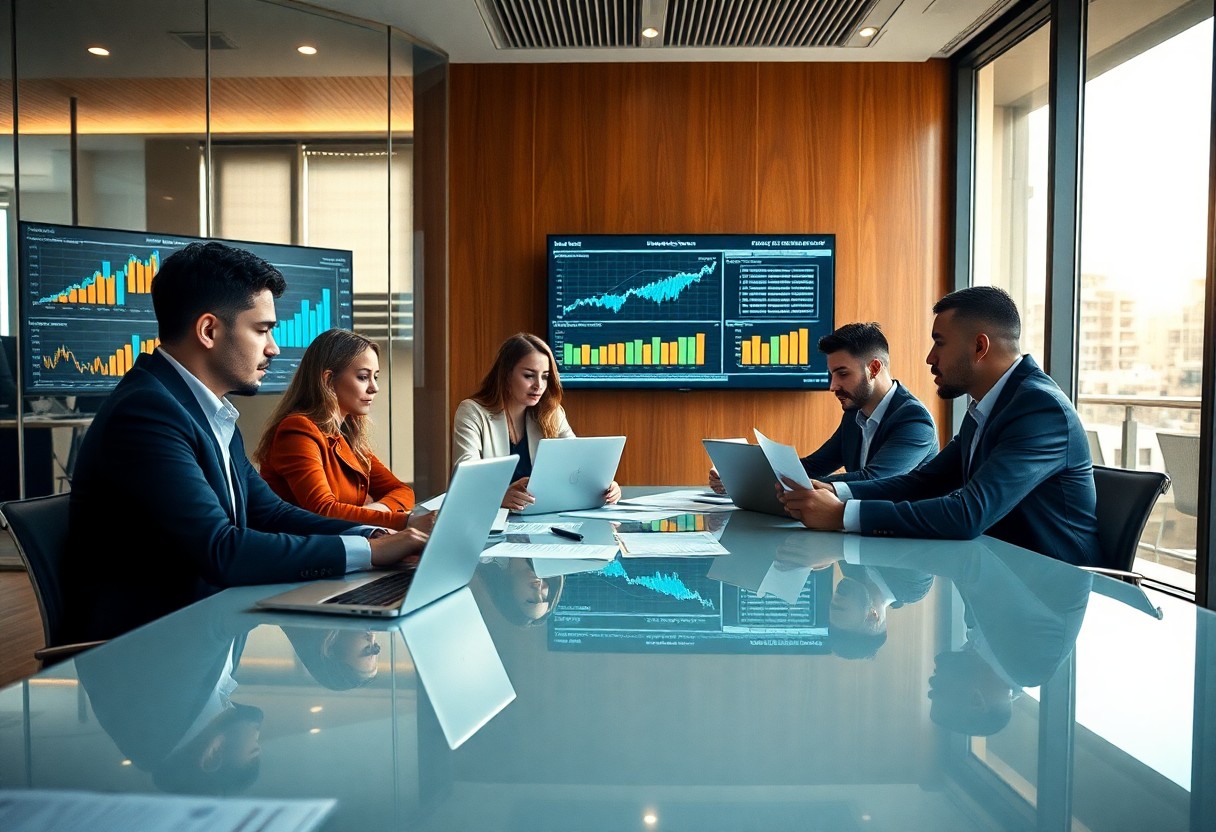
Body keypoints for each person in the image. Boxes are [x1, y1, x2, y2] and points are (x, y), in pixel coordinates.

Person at [64, 242, 428, 643]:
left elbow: (269, 513)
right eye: (262, 330)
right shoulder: (147, 414)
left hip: (210, 633)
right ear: (208, 331)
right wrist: (372, 554)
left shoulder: (208, 412)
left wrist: (372, 536)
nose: (273, 348)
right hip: (153, 653)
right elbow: (221, 549)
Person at [778, 286, 1100, 567]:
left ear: (979, 347)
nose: (930, 358)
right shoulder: (987, 408)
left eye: (940, 343)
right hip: (997, 579)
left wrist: (842, 515)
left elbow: (968, 513)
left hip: (1048, 597)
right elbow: (923, 483)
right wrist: (836, 491)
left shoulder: (1039, 410)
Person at [709, 321, 937, 493]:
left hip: (902, 544)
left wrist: (778, 485)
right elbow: (815, 465)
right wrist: (743, 477)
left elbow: (874, 479)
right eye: (831, 375)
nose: (833, 386)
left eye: (843, 374)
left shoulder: (914, 420)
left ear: (874, 368)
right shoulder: (855, 413)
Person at [253, 328, 428, 533]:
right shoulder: (297, 430)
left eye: (376, 377)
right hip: (308, 557)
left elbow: (402, 491)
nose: (374, 388)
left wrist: (371, 512)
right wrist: (401, 521)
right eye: (363, 377)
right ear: (328, 380)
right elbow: (323, 511)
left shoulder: (346, 435)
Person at [452, 332, 620, 510]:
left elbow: (578, 468)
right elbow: (465, 478)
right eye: (529, 375)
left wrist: (603, 487)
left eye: (545, 376)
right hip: (490, 520)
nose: (539, 385)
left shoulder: (551, 413)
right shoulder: (472, 412)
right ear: (506, 375)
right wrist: (498, 497)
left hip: (542, 518)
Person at [476, 557, 565, 627]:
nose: (537, 590)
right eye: (544, 597)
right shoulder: (548, 550)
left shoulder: (484, 553)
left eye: (530, 601)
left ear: (510, 596)